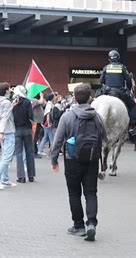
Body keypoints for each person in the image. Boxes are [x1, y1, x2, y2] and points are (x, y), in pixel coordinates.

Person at [51, 84, 107, 242]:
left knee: (74, 193)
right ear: (90, 98)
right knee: (91, 193)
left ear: (74, 97)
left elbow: (58, 140)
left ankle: (78, 225)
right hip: (92, 160)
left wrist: (54, 159)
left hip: (72, 160)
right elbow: (105, 138)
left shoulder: (67, 116)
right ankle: (91, 223)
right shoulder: (97, 117)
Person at [98, 49, 136, 131]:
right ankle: (132, 126)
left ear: (109, 59)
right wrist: (129, 89)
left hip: (107, 91)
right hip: (119, 91)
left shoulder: (106, 68)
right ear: (118, 58)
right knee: (133, 105)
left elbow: (101, 81)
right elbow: (129, 81)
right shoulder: (122, 67)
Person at [0, 82, 17, 190]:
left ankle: (4, 179)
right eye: (9, 89)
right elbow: (5, 117)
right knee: (7, 156)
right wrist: (2, 132)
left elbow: (0, 115)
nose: (10, 91)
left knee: (5, 155)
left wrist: (12, 105)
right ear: (6, 90)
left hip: (4, 131)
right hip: (8, 131)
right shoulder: (6, 102)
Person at [12, 85, 36, 183]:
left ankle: (21, 177)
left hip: (17, 129)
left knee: (19, 154)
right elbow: (31, 115)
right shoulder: (27, 102)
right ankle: (31, 176)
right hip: (27, 129)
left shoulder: (13, 103)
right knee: (29, 152)